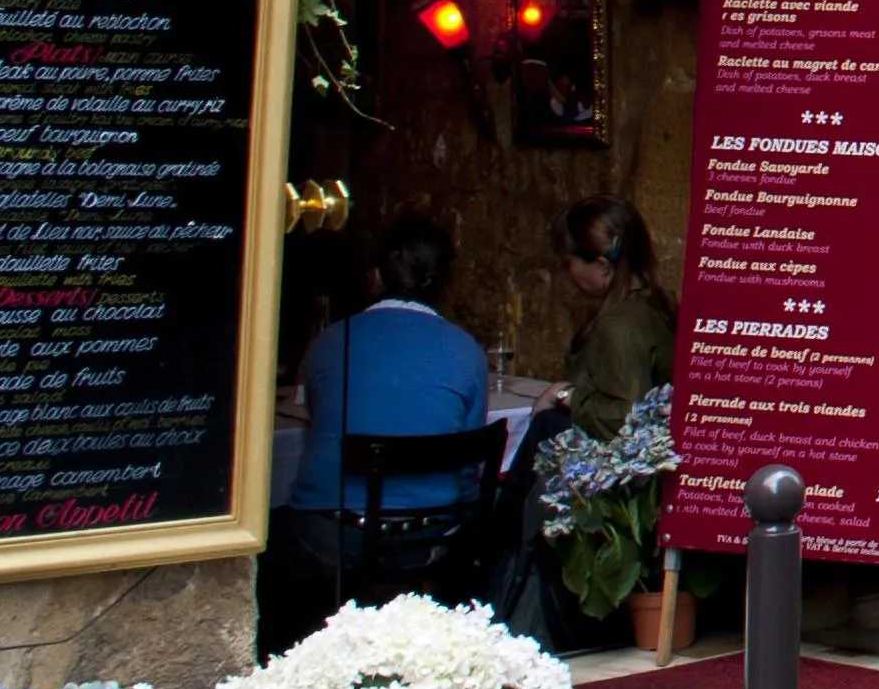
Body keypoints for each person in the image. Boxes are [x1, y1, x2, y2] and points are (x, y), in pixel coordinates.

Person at [267, 216, 494, 650]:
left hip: (334, 538)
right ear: (445, 282)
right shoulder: (466, 350)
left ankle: (289, 661)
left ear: (375, 276)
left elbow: (319, 421)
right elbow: (470, 463)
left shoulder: (331, 342)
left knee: (266, 539)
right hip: (433, 537)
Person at [538, 198, 674, 437]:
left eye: (569, 263)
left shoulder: (618, 325)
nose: (568, 273)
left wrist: (565, 395)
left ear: (601, 265)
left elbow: (628, 416)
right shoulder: (659, 303)